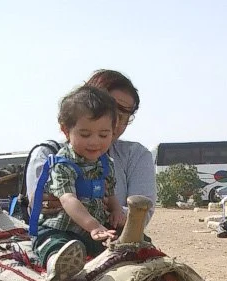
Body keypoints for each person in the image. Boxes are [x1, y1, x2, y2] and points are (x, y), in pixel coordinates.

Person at [25, 70, 155, 225]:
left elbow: (141, 215)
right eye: (109, 112)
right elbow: (35, 206)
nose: (116, 124)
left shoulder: (136, 156)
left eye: (124, 118)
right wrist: (45, 204)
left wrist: (110, 212)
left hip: (112, 241)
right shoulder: (47, 154)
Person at [30, 85, 123, 281]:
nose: (95, 142)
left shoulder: (106, 163)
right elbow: (68, 198)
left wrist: (116, 211)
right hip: (62, 227)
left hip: (94, 230)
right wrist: (93, 226)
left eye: (103, 135)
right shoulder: (62, 163)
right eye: (85, 134)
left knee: (128, 243)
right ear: (66, 130)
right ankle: (58, 265)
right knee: (54, 243)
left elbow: (110, 194)